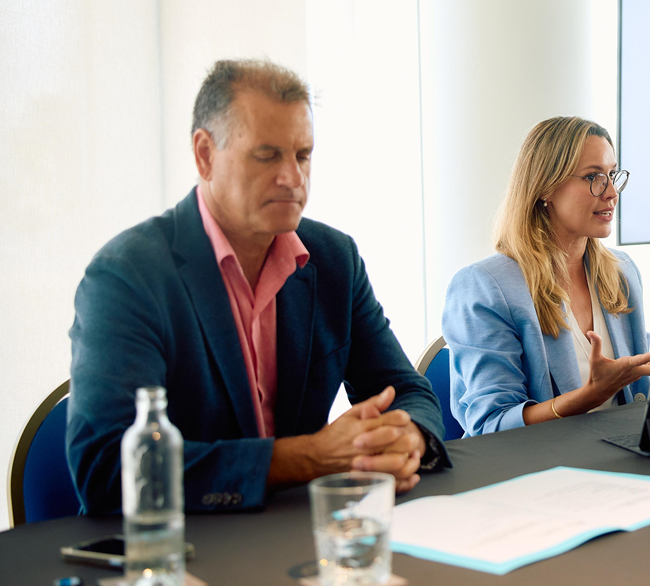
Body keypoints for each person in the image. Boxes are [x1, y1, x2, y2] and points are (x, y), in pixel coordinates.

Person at [69, 60, 447, 514]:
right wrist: (308, 458)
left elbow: (407, 390)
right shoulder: (128, 275)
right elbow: (107, 468)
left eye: (303, 155)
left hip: (300, 533)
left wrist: (407, 438)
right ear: (205, 155)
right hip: (185, 547)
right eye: (268, 156)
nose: (293, 178)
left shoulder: (332, 258)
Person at [441, 117, 650, 436]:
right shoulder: (484, 287)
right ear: (546, 187)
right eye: (593, 177)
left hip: (621, 459)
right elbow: (490, 426)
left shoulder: (621, 272)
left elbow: (640, 393)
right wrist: (586, 398)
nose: (612, 192)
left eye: (612, 175)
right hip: (538, 473)